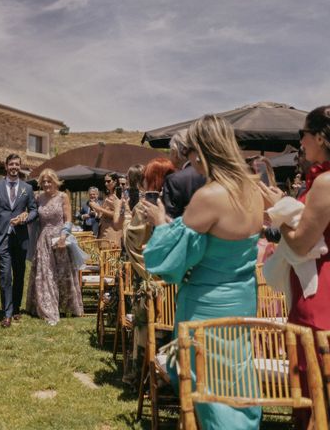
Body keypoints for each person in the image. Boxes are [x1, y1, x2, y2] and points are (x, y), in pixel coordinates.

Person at [143, 115, 264, 430]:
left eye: (191, 150)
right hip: (243, 300)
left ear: (202, 151)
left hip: (206, 306)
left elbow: (171, 259)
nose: (187, 157)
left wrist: (159, 222)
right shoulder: (253, 190)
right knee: (236, 378)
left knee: (208, 387)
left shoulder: (210, 196)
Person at [260, 104, 330, 429]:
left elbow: (301, 242)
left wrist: (278, 208)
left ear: (319, 136)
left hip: (320, 295)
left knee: (316, 385)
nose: (300, 141)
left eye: (302, 134)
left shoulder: (326, 183)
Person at [120, 157, 175, 385]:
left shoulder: (151, 206)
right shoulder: (166, 204)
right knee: (159, 325)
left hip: (152, 275)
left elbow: (132, 240)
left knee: (148, 325)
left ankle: (146, 375)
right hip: (163, 277)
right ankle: (157, 375)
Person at [0, 154, 38, 328]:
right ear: (6, 166)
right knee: (5, 275)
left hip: (21, 238)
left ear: (20, 166)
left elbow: (33, 211)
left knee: (19, 274)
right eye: (11, 164)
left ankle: (16, 308)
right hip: (2, 237)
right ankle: (6, 313)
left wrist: (25, 218)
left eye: (17, 164)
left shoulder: (27, 188)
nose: (14, 167)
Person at [26, 169, 83, 325]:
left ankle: (66, 306)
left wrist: (64, 236)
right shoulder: (38, 198)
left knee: (62, 274)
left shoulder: (63, 197)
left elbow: (68, 220)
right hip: (43, 239)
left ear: (55, 181)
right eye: (43, 182)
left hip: (60, 238)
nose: (46, 184)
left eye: (49, 181)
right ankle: (47, 307)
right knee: (46, 274)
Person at [162, 129, 206, 219]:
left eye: (170, 151)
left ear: (175, 152)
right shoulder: (214, 172)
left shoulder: (174, 180)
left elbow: (169, 220)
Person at [91, 172, 123, 246]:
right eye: (105, 181)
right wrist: (97, 211)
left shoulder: (118, 196)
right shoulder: (108, 195)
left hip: (112, 231)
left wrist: (99, 208)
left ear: (115, 181)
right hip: (103, 229)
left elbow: (117, 214)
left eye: (108, 181)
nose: (106, 183)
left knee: (110, 255)